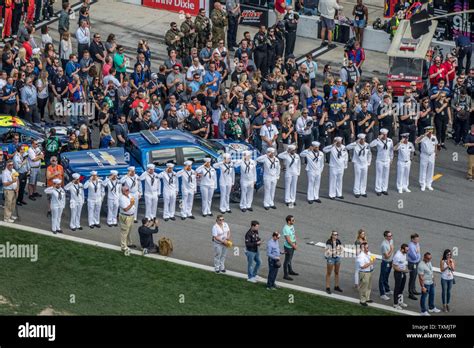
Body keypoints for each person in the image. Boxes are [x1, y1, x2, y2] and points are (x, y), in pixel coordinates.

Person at [346, 133, 371, 198]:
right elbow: (347, 147)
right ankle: (356, 191)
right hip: (357, 163)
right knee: (357, 177)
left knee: (364, 178)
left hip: (364, 164)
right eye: (361, 139)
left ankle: (363, 191)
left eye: (363, 139)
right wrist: (355, 142)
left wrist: (368, 162)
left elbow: (369, 154)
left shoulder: (367, 145)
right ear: (359, 139)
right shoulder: (356, 145)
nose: (362, 141)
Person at [370, 128, 393, 196]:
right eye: (383, 135)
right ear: (381, 134)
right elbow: (371, 145)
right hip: (380, 160)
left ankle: (384, 189)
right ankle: (378, 189)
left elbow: (391, 150)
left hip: (387, 160)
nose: (384, 136)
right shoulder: (378, 141)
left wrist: (391, 158)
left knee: (386, 175)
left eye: (385, 135)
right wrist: (377, 139)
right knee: (379, 175)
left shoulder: (390, 140)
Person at [415, 126, 438, 191]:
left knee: (431, 169)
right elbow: (416, 141)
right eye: (429, 131)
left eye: (431, 131)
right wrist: (424, 135)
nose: (430, 133)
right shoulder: (423, 137)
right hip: (424, 155)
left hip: (431, 155)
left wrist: (435, 153)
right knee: (423, 169)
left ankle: (429, 184)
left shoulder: (434, 137)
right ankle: (423, 184)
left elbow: (436, 144)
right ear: (426, 131)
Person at [119, 185, 137, 255]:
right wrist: (131, 204)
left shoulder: (129, 195)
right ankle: (123, 246)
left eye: (128, 190)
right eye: (126, 190)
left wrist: (132, 203)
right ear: (123, 191)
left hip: (131, 216)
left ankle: (129, 243)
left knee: (129, 231)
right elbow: (125, 209)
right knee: (124, 232)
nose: (128, 191)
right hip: (125, 217)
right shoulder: (122, 198)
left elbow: (132, 200)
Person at [357, 242, 375, 306]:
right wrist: (371, 262)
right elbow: (362, 266)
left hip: (369, 272)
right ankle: (362, 300)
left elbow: (371, 259)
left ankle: (367, 298)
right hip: (364, 273)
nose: (368, 248)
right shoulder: (360, 256)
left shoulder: (368, 253)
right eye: (367, 247)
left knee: (369, 286)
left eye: (368, 247)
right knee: (363, 287)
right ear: (363, 248)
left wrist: (372, 260)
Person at [392, 243, 410, 309]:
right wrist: (403, 270)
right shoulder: (397, 256)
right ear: (402, 250)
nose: (407, 251)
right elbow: (394, 266)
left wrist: (405, 269)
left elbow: (403, 263)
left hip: (403, 272)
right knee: (397, 288)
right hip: (398, 273)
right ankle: (395, 303)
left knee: (401, 288)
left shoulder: (404, 254)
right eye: (406, 250)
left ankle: (400, 301)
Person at [282, 215, 299, 281]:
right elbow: (288, 240)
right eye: (292, 220)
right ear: (289, 221)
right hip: (288, 247)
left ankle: (290, 271)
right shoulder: (286, 228)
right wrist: (294, 246)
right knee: (287, 261)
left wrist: (296, 243)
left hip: (292, 245)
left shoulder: (292, 226)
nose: (294, 221)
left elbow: (294, 235)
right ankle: (285, 275)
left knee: (290, 259)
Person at [379, 230, 394, 301]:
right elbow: (387, 256)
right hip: (385, 262)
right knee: (382, 278)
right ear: (385, 237)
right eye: (389, 236)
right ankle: (382, 294)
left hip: (390, 261)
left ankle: (387, 290)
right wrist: (391, 249)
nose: (391, 237)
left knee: (386, 276)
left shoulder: (391, 241)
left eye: (391, 235)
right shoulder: (384, 245)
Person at [407, 233, 421, 300]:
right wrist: (418, 252)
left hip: (416, 262)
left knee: (415, 277)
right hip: (412, 264)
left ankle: (414, 290)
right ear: (412, 239)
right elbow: (414, 257)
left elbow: (418, 252)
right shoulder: (411, 246)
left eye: (418, 238)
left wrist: (417, 252)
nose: (418, 240)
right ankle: (410, 293)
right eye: (416, 239)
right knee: (412, 278)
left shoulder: (417, 243)